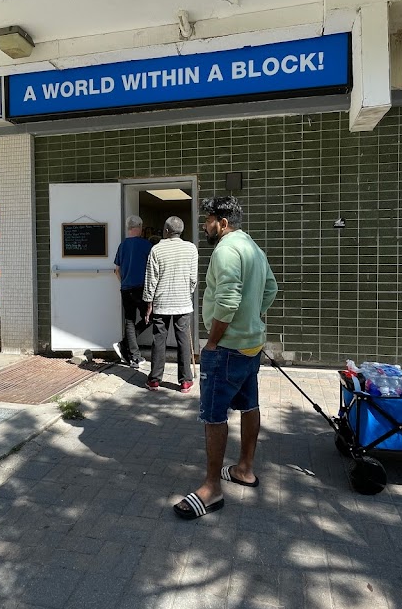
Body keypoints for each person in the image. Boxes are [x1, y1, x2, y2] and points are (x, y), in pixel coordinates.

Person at [174, 195, 278, 520]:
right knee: (249, 405)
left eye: (208, 220)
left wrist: (212, 342)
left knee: (214, 415)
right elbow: (271, 288)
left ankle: (212, 489)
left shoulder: (225, 250)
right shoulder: (253, 248)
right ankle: (244, 469)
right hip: (251, 345)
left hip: (227, 348)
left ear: (222, 222)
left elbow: (229, 300)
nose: (205, 225)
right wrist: (252, 319)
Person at [143, 216, 198, 392]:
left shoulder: (156, 249)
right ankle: (185, 381)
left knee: (159, 340)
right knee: (183, 340)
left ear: (166, 231)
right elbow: (193, 278)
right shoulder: (191, 248)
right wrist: (187, 293)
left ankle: (154, 380)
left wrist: (149, 302)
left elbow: (151, 279)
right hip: (183, 302)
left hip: (161, 302)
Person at [113, 215, 152, 369]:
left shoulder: (122, 246)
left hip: (125, 288)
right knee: (151, 317)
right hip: (141, 288)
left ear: (128, 227)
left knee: (129, 320)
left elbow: (117, 270)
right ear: (140, 227)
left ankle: (134, 356)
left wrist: (123, 282)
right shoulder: (146, 245)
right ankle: (125, 345)